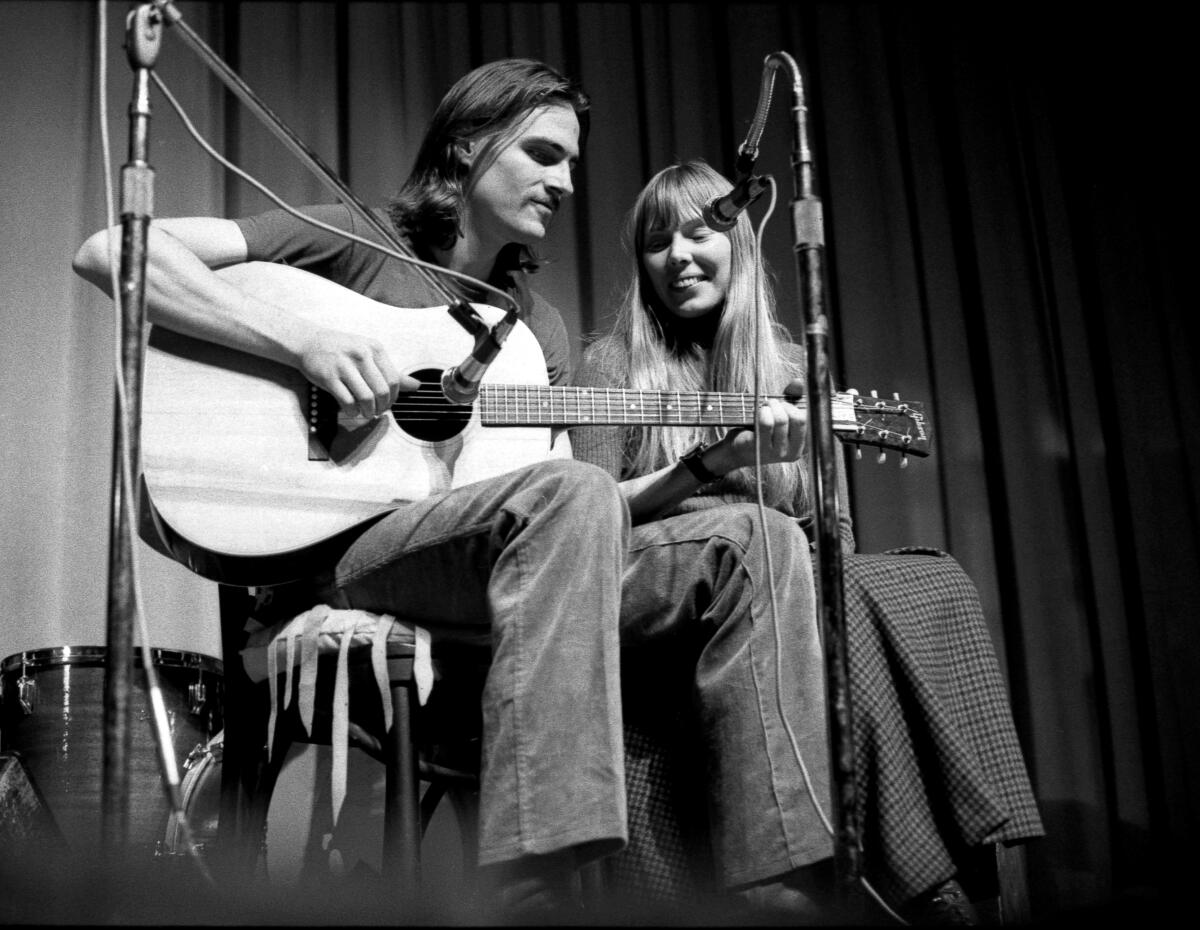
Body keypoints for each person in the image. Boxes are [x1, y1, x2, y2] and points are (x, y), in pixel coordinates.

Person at [73, 60, 837, 925]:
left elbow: (570, 515)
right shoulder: (353, 241)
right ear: (470, 144)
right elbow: (114, 252)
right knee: (573, 488)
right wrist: (300, 342)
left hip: (488, 555)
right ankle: (534, 884)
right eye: (546, 154)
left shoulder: (535, 327)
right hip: (352, 554)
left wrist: (711, 465)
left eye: (573, 164)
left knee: (761, 539)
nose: (567, 182)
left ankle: (780, 888)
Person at [571, 160, 1044, 924]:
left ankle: (967, 852)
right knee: (802, 572)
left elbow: (837, 537)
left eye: (699, 232)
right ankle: (931, 890)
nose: (678, 257)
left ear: (742, 247)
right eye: (657, 242)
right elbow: (586, 518)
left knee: (926, 582)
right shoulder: (611, 365)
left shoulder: (791, 372)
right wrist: (709, 465)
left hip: (791, 590)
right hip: (677, 599)